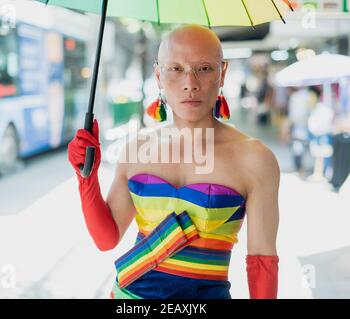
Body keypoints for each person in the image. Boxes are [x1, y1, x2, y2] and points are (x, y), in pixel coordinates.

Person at [68, 25, 280, 299]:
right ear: (158, 75)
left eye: (203, 68)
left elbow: (262, 261)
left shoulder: (255, 158)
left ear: (222, 73)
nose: (190, 82)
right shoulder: (137, 148)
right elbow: (106, 239)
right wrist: (86, 177)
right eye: (176, 69)